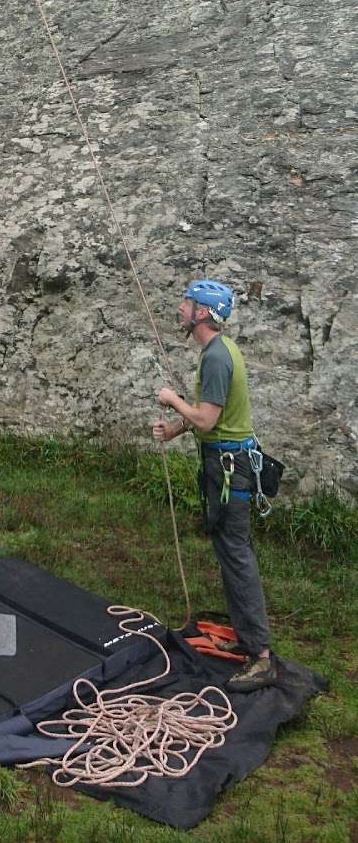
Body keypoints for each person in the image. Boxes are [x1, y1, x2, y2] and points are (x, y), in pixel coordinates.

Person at [152, 279, 276, 692]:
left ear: (203, 313)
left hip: (231, 470)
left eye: (188, 303)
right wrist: (173, 430)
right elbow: (207, 416)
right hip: (227, 465)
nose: (182, 307)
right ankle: (249, 639)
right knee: (232, 553)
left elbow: (206, 420)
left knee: (237, 558)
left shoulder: (218, 358)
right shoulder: (215, 353)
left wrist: (172, 400)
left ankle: (261, 657)